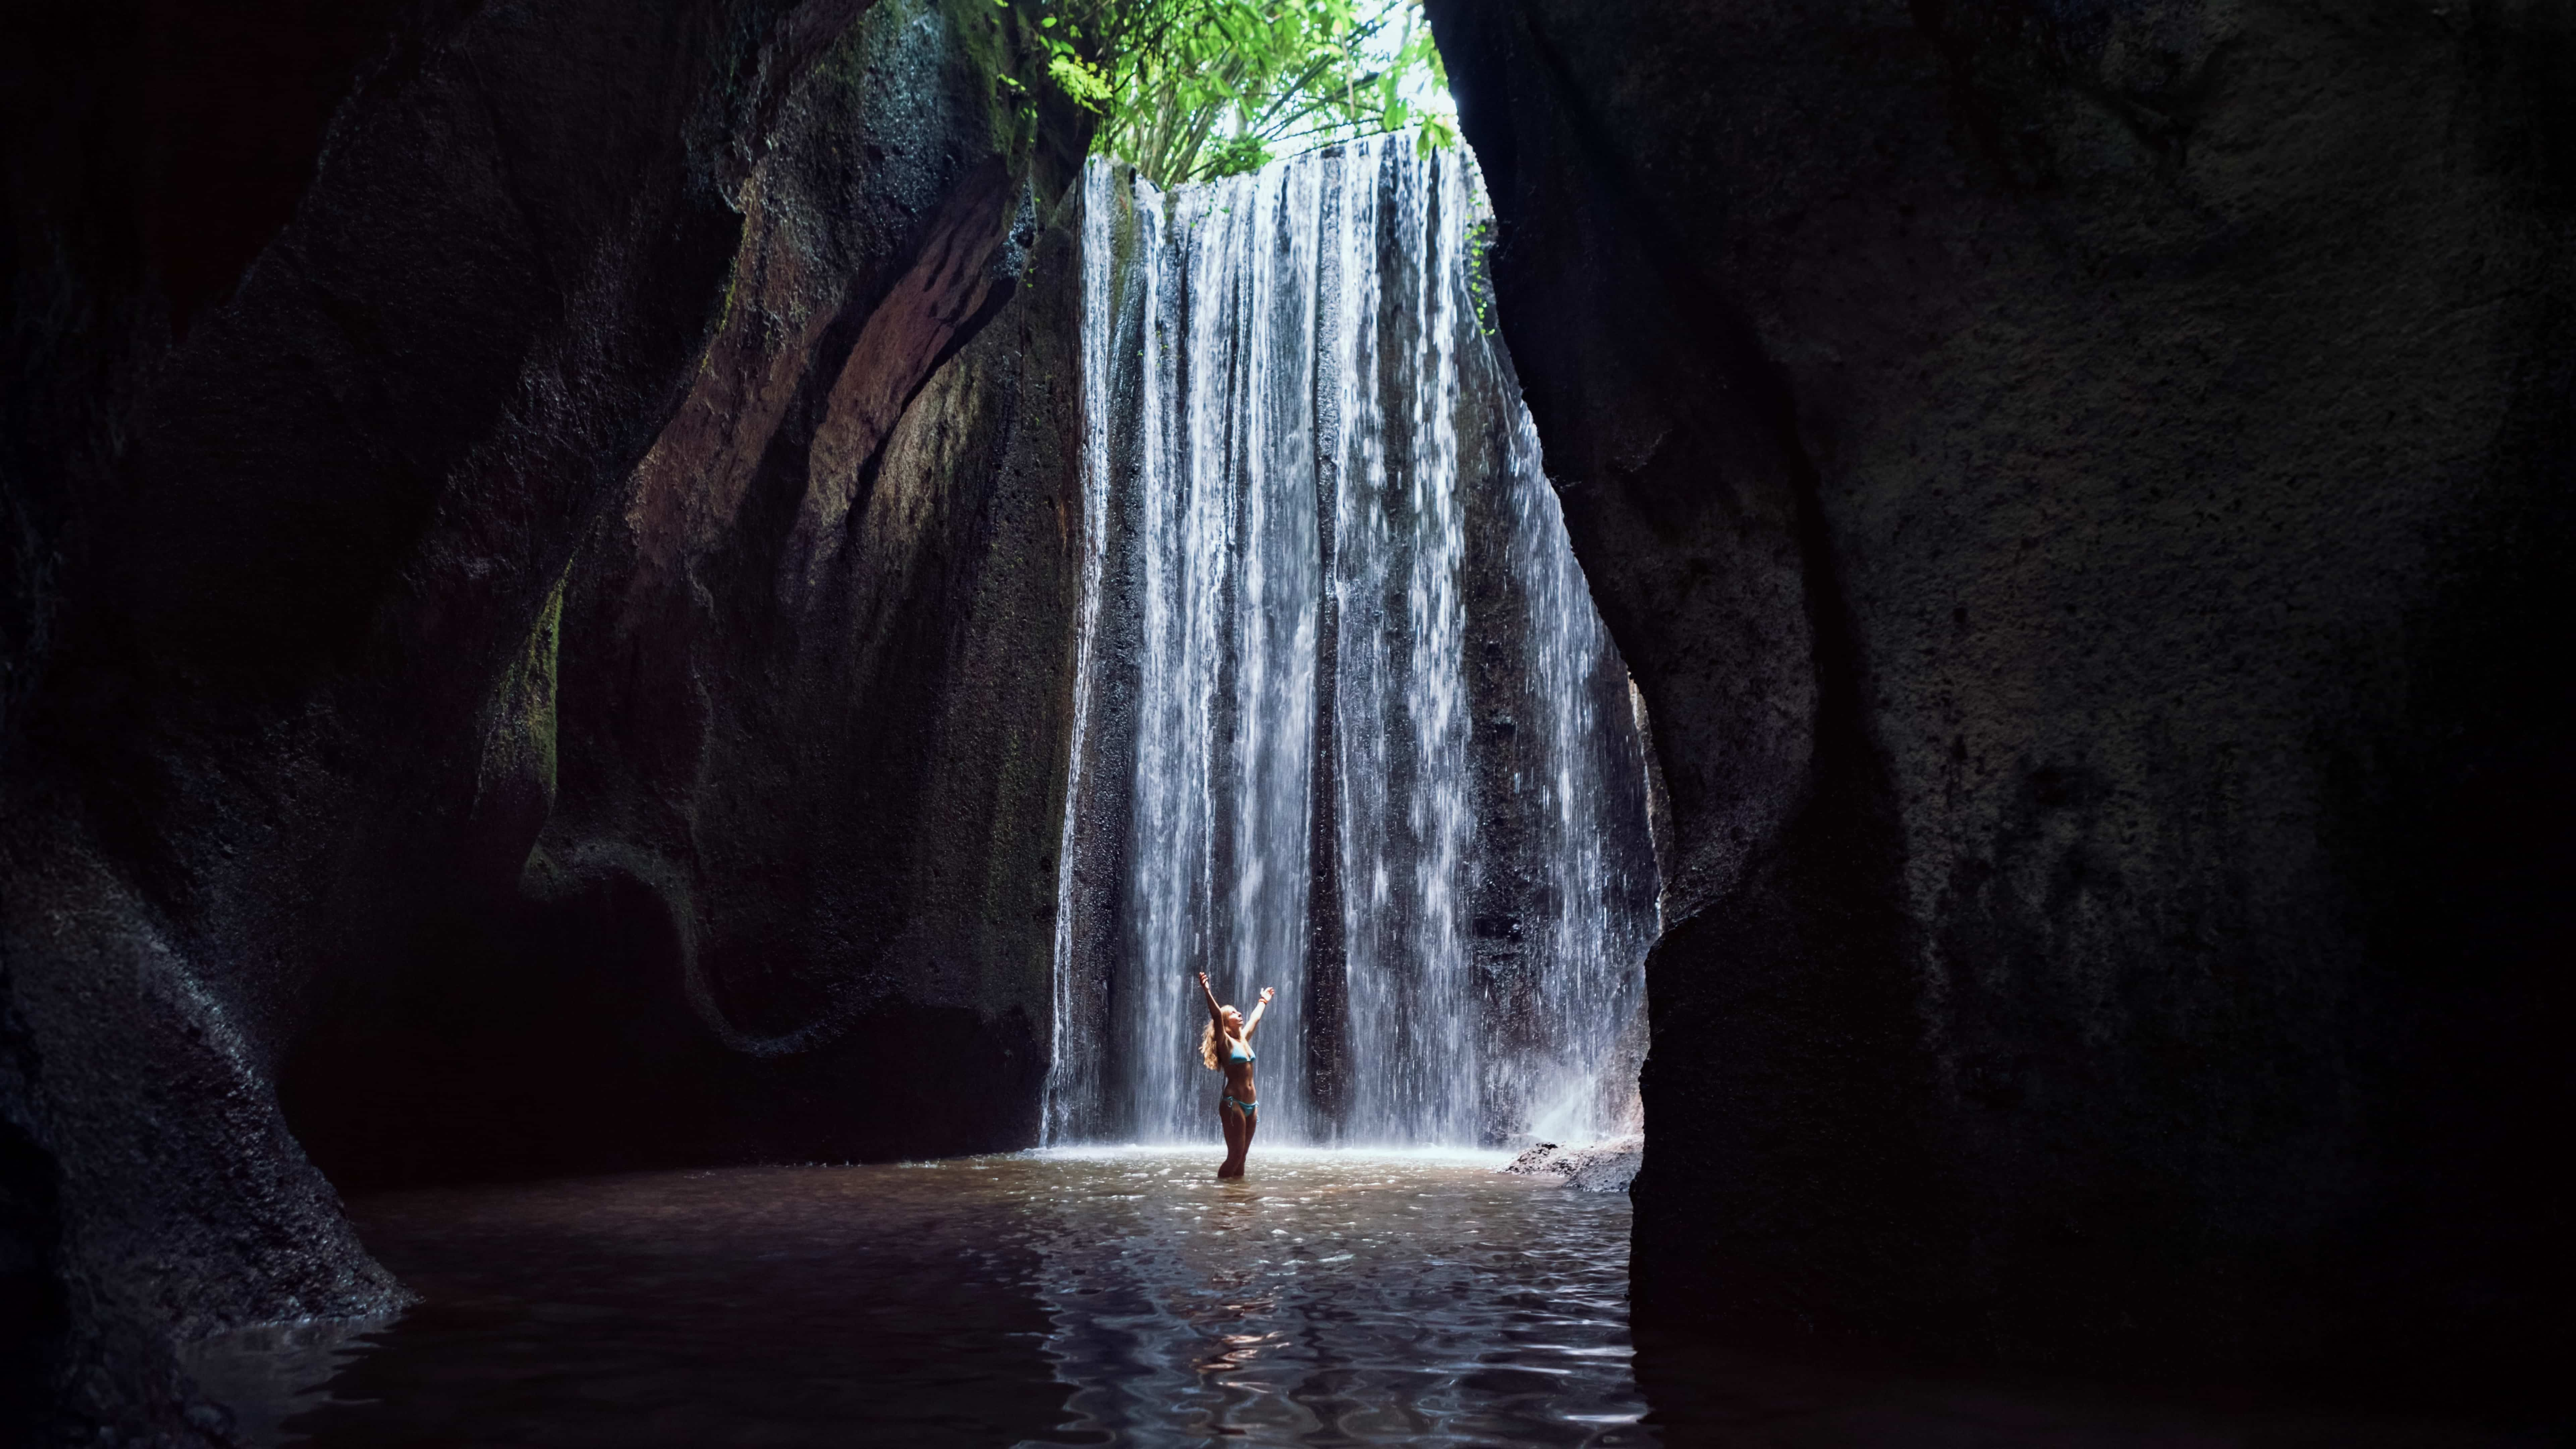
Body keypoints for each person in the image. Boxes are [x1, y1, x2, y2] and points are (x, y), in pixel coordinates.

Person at [1197, 972, 1274, 1179]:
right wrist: (1207, 992)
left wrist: (1263, 1001)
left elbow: (1255, 1019)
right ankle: (1222, 1196)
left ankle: (1238, 1199)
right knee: (1235, 1155)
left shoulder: (1244, 1040)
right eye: (1233, 1013)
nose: (1239, 1014)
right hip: (1234, 1104)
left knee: (1243, 1156)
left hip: (1252, 1105)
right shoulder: (1226, 1043)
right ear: (1226, 1022)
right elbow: (1215, 1016)